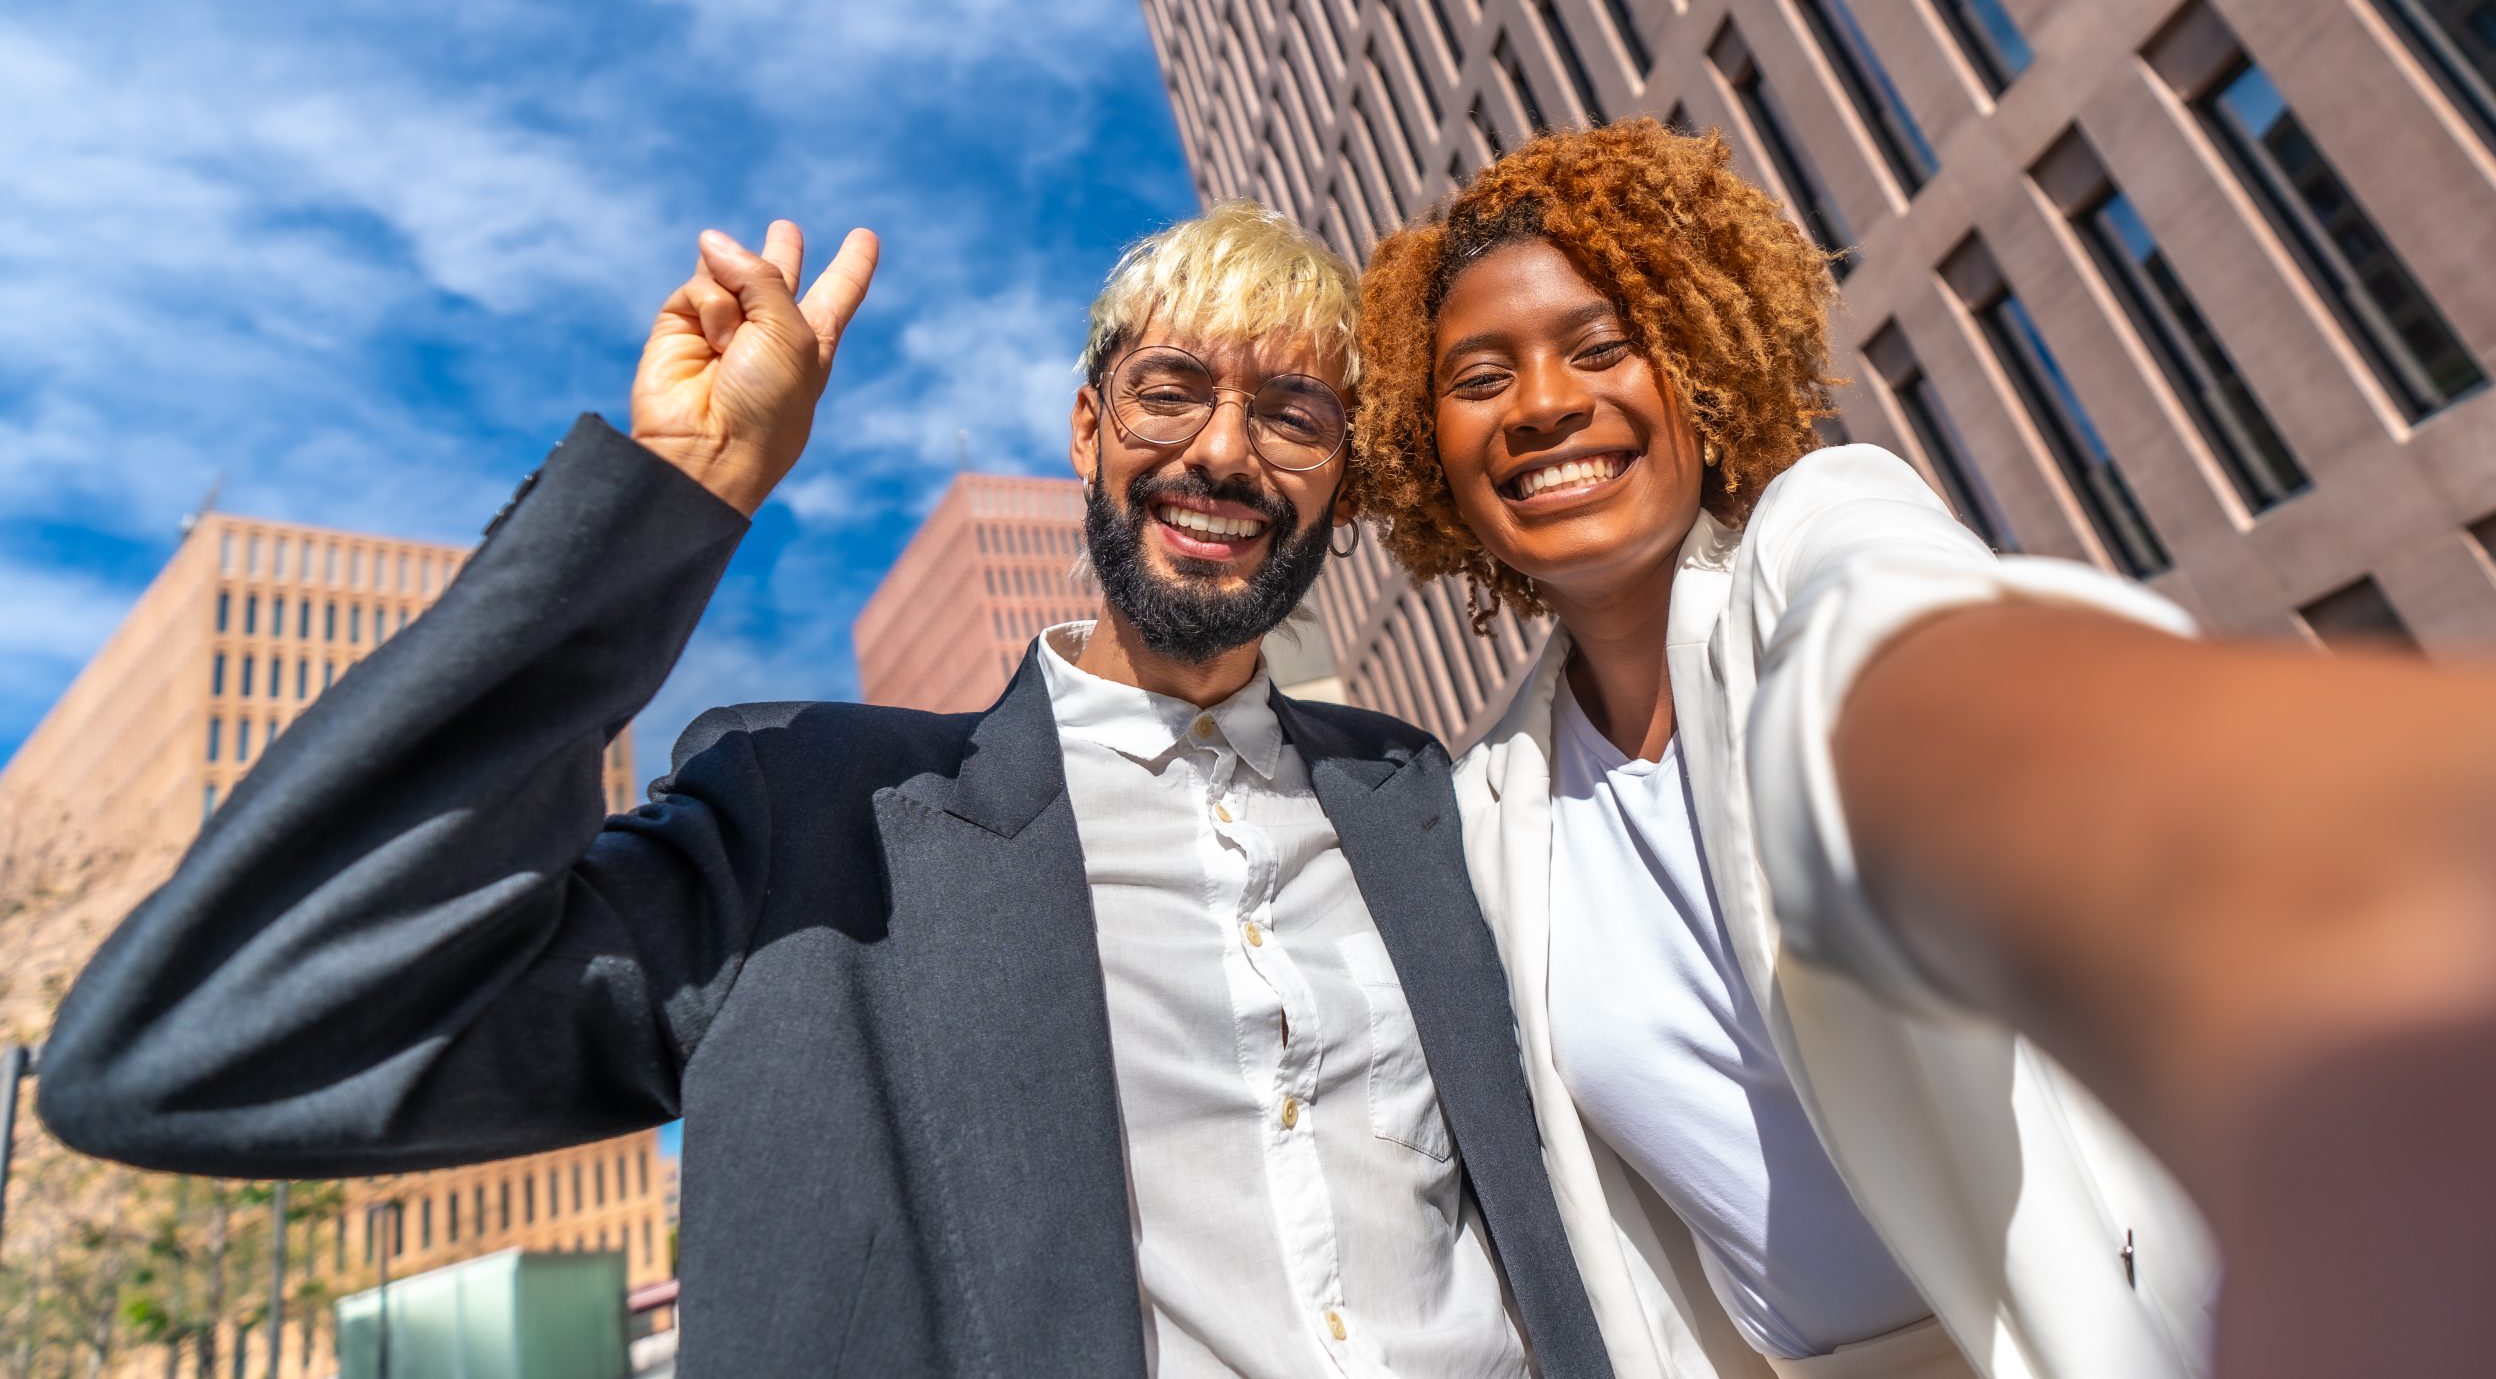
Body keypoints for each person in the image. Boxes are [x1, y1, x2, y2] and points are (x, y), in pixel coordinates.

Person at [37, 203, 1616, 1379]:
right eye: (1170, 392)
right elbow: (187, 1049)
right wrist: (682, 494)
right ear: (1088, 428)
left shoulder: (1431, 803)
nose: (1223, 450)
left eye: (1292, 415)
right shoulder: (813, 821)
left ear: (1337, 473)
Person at [1356, 116, 2496, 1379]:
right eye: (1478, 378)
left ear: (1701, 380)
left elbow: (1904, 646)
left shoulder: (1818, 529)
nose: (1543, 405)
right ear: (1431, 457)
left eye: (1602, 350)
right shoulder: (1494, 808)